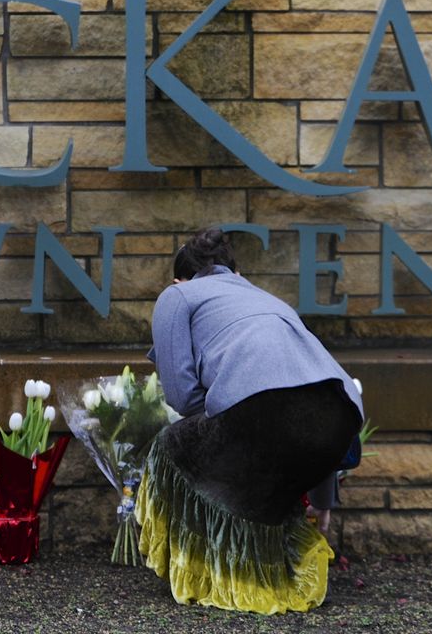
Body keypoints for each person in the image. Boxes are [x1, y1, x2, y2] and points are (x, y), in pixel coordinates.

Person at [138, 227, 365, 615]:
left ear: (180, 279)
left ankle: (210, 571)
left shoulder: (178, 296)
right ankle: (277, 567)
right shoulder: (270, 300)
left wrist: (219, 445)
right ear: (236, 273)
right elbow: (310, 392)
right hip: (342, 417)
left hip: (259, 413)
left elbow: (181, 398)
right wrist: (324, 500)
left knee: (170, 446)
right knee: (268, 442)